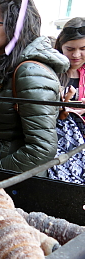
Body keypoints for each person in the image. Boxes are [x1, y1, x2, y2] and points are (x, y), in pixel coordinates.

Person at [0, 0, 69, 174]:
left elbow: (42, 151)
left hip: (14, 188)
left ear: (14, 28)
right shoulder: (8, 66)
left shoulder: (30, 71)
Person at [47, 17, 85, 184]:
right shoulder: (50, 72)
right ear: (60, 47)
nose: (76, 55)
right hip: (58, 144)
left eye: (83, 49)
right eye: (70, 49)